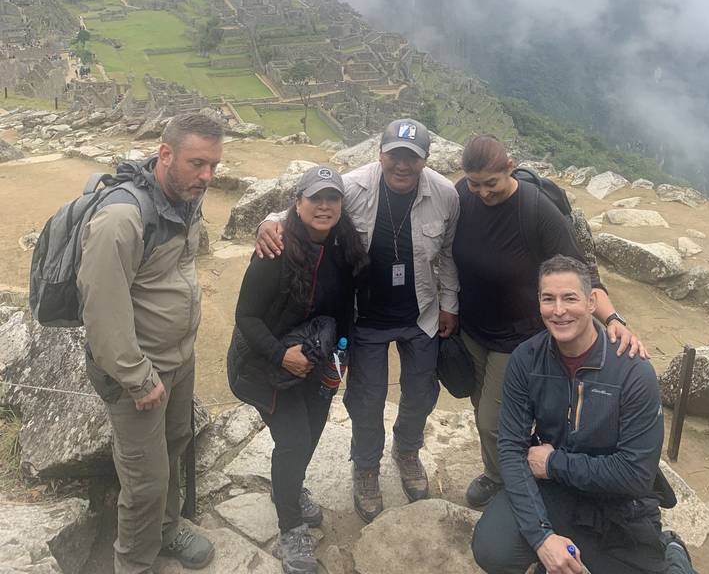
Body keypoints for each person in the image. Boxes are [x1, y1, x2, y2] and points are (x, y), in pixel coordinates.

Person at [255, 118, 460, 522]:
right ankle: (365, 465)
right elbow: (307, 206)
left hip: (421, 313)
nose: (402, 165)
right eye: (395, 155)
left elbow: (449, 253)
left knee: (420, 390)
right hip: (365, 315)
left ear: (426, 160)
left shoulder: (445, 194)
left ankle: (407, 450)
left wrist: (450, 302)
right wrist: (269, 221)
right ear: (380, 154)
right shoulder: (355, 186)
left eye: (412, 158)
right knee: (366, 399)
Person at [453, 135, 646, 509]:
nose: (482, 193)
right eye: (474, 184)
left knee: (493, 421)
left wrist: (612, 319)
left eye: (490, 184)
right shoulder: (464, 195)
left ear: (509, 168)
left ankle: (507, 482)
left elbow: (583, 275)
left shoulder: (536, 210)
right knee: (483, 411)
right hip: (473, 329)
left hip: (518, 337)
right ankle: (506, 469)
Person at [77, 112, 225, 574]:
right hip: (136, 373)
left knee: (176, 443)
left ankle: (165, 529)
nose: (207, 176)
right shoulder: (121, 218)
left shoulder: (183, 197)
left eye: (214, 165)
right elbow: (102, 310)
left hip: (178, 359)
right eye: (198, 163)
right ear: (165, 153)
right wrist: (138, 378)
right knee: (145, 479)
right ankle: (133, 564)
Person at [471, 255, 667, 574]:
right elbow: (510, 447)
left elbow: (636, 474)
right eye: (549, 299)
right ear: (539, 302)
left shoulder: (633, 372)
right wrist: (542, 538)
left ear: (592, 302)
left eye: (570, 298)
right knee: (493, 550)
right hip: (554, 491)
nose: (559, 310)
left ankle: (671, 551)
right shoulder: (527, 359)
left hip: (615, 499)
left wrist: (552, 463)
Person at [227, 165, 368, 574]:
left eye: (332, 199)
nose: (324, 206)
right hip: (263, 364)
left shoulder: (344, 247)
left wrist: (342, 356)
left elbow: (344, 310)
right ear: (297, 203)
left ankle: (288, 487)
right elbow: (246, 316)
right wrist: (279, 355)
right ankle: (290, 527)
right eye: (315, 198)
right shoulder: (274, 249)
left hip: (316, 360)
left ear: (341, 205)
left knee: (309, 437)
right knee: (292, 441)